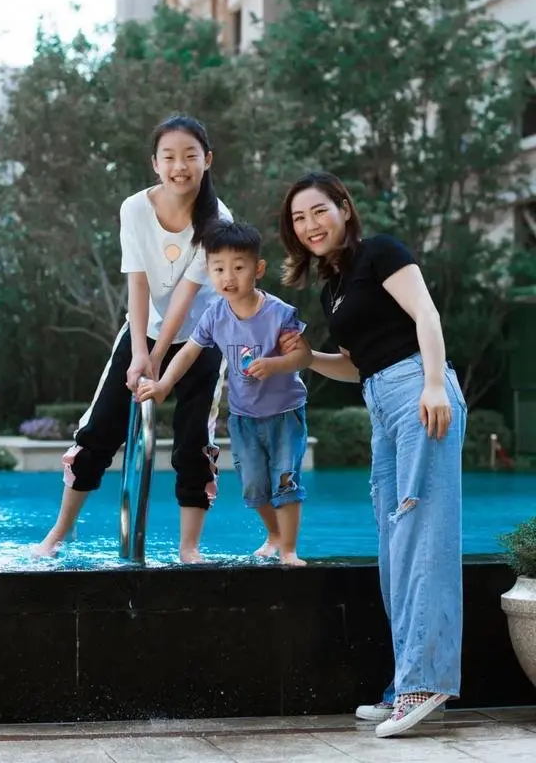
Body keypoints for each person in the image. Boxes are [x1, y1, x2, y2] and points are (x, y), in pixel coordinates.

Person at [278, 172, 467, 738]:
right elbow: (357, 365)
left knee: (422, 533)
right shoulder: (331, 288)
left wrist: (434, 384)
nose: (310, 226)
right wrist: (310, 357)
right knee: (395, 544)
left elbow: (426, 316)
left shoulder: (381, 252)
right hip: (381, 403)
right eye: (298, 219)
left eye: (318, 212)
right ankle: (405, 680)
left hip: (417, 391)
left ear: (343, 208)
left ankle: (425, 681)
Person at [34, 115, 231, 564]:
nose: (180, 166)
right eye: (169, 157)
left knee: (192, 442)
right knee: (99, 428)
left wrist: (161, 356)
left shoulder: (218, 220)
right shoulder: (135, 208)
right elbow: (137, 281)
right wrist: (141, 350)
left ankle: (189, 548)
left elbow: (187, 295)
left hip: (203, 341)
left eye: (190, 156)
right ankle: (59, 534)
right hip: (142, 329)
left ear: (207, 160)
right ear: (155, 164)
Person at [137, 220, 311, 566]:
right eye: (218, 269)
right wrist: (164, 385)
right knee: (253, 485)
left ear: (257, 269)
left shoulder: (279, 313)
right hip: (244, 416)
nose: (228, 277)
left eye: (238, 267)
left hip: (283, 413)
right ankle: (274, 534)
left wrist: (275, 365)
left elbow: (303, 355)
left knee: (285, 480)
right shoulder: (214, 314)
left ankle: (289, 549)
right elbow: (188, 352)